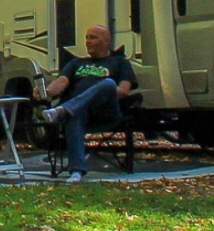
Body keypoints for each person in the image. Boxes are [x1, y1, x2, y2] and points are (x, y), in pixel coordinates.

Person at [34, 25, 137, 184]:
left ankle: (62, 110)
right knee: (74, 114)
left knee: (108, 83)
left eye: (93, 37)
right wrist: (46, 92)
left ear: (106, 41)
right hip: (81, 113)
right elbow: (61, 83)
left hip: (105, 112)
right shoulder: (76, 63)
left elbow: (123, 90)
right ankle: (76, 172)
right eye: (87, 37)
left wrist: (100, 90)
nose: (88, 42)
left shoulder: (119, 62)